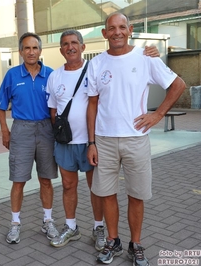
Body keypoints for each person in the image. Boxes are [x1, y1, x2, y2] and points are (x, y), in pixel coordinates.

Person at [87, 13, 186, 265]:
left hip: (136, 139)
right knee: (107, 194)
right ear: (104, 33)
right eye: (112, 28)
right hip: (105, 140)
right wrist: (91, 142)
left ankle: (136, 244)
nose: (117, 32)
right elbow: (93, 105)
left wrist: (158, 114)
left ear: (130, 30)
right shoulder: (96, 63)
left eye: (122, 27)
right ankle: (113, 241)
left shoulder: (145, 57)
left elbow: (178, 85)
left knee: (136, 195)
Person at [47, 30, 160, 251]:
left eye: (74, 43)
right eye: (65, 44)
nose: (70, 47)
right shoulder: (55, 76)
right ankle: (71, 226)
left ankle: (99, 228)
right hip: (65, 143)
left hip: (94, 142)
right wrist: (61, 133)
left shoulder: (96, 67)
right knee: (68, 186)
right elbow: (53, 110)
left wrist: (151, 53)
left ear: (82, 47)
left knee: (97, 188)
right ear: (60, 49)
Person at [0, 32, 59, 244]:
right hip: (21, 130)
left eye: (35, 48)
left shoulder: (51, 74)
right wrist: (5, 130)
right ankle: (15, 224)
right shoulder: (12, 75)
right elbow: (1, 105)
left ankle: (48, 221)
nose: (31, 52)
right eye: (26, 48)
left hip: (46, 129)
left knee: (46, 179)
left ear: (40, 51)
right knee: (18, 180)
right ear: (21, 51)